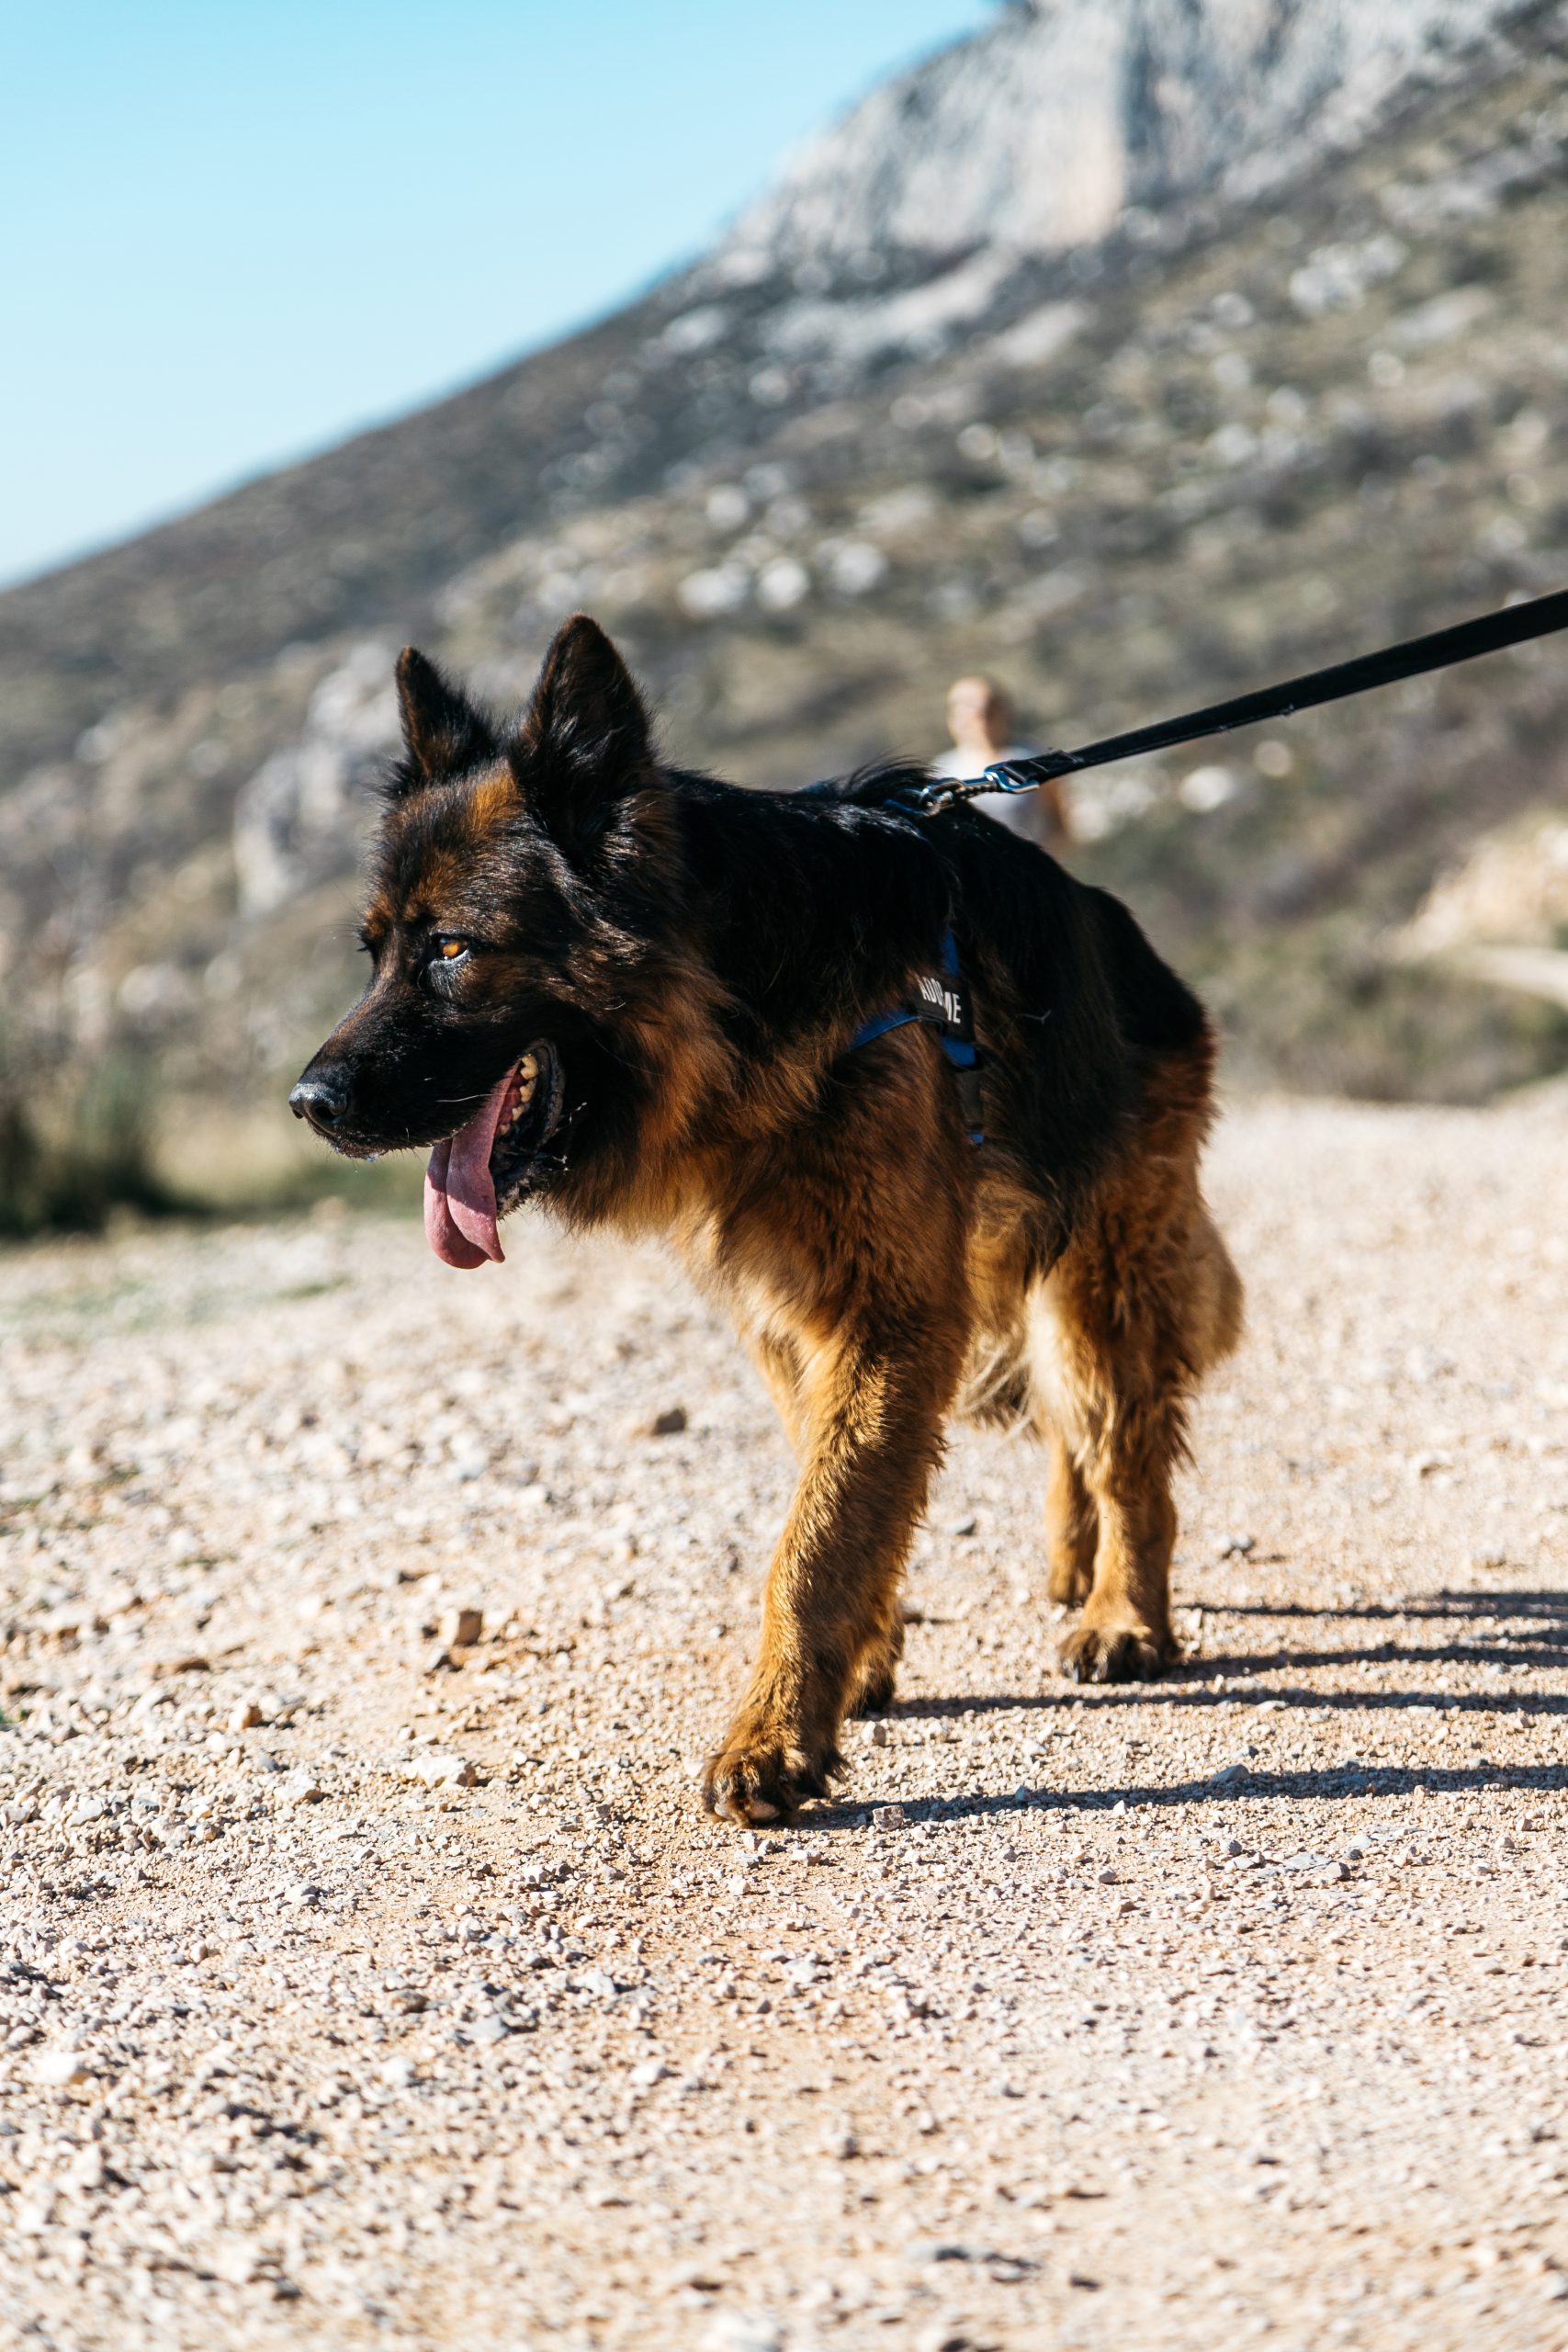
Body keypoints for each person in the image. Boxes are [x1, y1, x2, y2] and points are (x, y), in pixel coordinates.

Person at [932, 675, 1070, 851]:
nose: (980, 713)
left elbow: (1060, 822)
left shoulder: (1031, 756)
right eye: (968, 705)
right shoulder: (943, 771)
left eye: (988, 705)